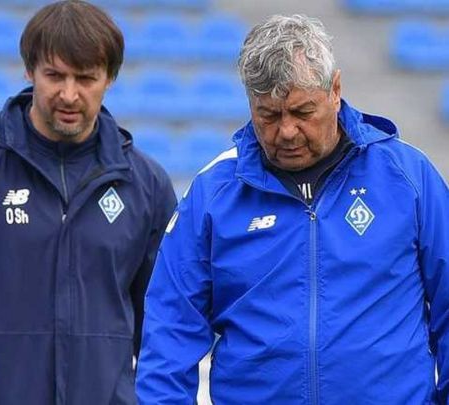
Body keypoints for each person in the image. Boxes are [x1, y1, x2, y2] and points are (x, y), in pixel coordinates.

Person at [136, 14, 449, 404]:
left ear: (335, 91)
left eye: (302, 112)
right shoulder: (213, 194)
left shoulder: (408, 176)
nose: (286, 131)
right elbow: (169, 330)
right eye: (268, 115)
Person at [0, 1, 176, 404]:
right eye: (54, 75)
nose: (69, 94)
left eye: (85, 78)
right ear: (29, 70)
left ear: (109, 78)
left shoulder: (147, 185)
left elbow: (161, 331)